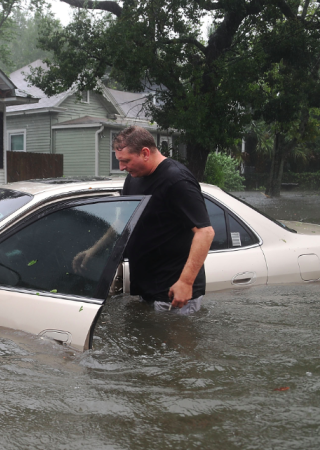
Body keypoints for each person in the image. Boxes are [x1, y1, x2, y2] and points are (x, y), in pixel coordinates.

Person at [73, 126, 214, 314]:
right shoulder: (133, 179)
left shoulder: (177, 180)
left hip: (174, 292)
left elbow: (205, 232)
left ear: (145, 153)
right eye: (120, 162)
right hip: (147, 288)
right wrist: (95, 250)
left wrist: (186, 282)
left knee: (178, 341)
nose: (122, 167)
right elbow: (123, 222)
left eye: (126, 161)